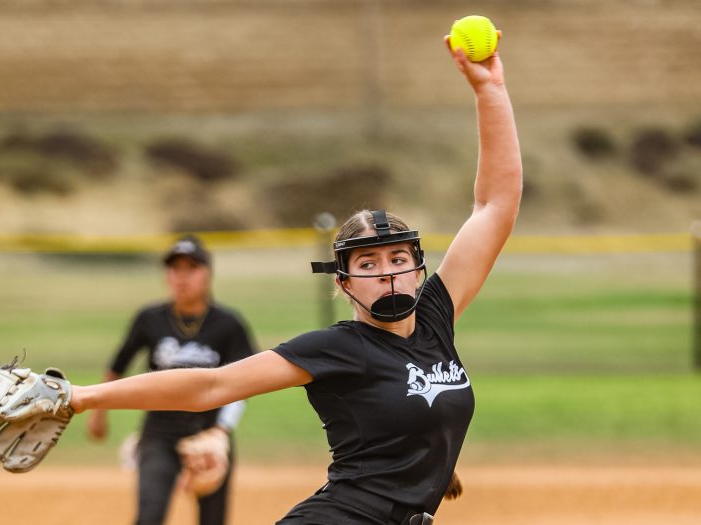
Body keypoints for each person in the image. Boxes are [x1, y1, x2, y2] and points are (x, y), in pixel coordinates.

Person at [72, 33, 522, 525]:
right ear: (343, 282)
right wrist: (80, 398)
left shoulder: (436, 316)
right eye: (367, 264)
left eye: (397, 258)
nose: (387, 274)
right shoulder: (337, 348)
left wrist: (490, 90)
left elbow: (494, 205)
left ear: (418, 268)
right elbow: (211, 385)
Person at [86, 234, 256, 525]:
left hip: (208, 434)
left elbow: (246, 382)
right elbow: (118, 366)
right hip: (159, 434)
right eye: (175, 269)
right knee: (148, 517)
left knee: (213, 521)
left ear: (207, 274)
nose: (182, 277)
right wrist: (98, 414)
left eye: (191, 268)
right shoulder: (150, 318)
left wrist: (221, 431)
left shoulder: (228, 323)